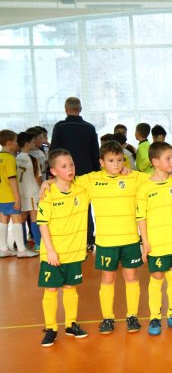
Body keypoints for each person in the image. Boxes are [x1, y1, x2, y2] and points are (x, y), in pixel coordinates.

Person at [75, 141, 147, 334]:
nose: (116, 164)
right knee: (108, 279)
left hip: (130, 240)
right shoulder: (91, 180)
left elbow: (157, 178)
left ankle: (132, 316)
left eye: (120, 160)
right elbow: (67, 182)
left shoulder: (134, 177)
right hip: (106, 242)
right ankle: (108, 318)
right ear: (101, 162)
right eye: (111, 160)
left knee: (131, 277)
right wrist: (47, 182)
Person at [37, 149, 90, 347]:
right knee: (51, 289)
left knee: (70, 288)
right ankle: (51, 328)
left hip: (74, 252)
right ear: (53, 171)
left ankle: (71, 324)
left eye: (72, 164)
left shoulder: (82, 190)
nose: (70, 169)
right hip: (53, 253)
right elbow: (42, 223)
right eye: (64, 166)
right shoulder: (48, 193)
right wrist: (50, 250)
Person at [136, 142, 172, 335]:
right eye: (169, 158)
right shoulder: (144, 188)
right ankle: (155, 318)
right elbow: (141, 217)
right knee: (157, 279)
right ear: (155, 162)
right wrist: (145, 242)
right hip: (156, 244)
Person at [49, 97, 100, 250]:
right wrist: (96, 174)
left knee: (66, 206)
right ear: (80, 109)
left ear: (66, 109)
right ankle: (89, 239)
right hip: (86, 174)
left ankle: (71, 239)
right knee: (85, 206)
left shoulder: (60, 127)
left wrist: (51, 175)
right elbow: (95, 153)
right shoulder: (89, 128)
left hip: (64, 173)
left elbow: (54, 152)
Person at [0, 130, 29, 257]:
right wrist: (17, 198)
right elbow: (12, 180)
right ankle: (22, 250)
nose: (18, 143)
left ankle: (3, 248)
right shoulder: (10, 159)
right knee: (17, 219)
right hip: (10, 196)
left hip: (1, 196)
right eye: (16, 141)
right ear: (9, 143)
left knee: (3, 220)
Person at [16, 131, 42, 255]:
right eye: (32, 142)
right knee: (34, 218)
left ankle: (23, 243)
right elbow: (38, 177)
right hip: (32, 192)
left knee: (21, 218)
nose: (33, 144)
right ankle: (38, 244)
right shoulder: (33, 159)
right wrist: (43, 188)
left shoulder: (14, 158)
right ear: (27, 144)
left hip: (20, 192)